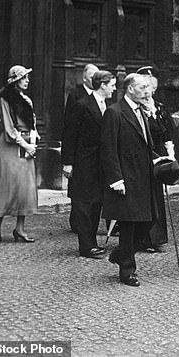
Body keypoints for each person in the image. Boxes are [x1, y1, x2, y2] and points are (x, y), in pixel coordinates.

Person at [101, 73, 158, 287]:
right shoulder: (114, 113)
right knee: (128, 226)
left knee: (148, 223)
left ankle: (120, 254)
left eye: (148, 88)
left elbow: (146, 143)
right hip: (126, 177)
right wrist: (116, 179)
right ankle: (127, 270)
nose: (147, 91)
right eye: (143, 87)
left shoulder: (142, 111)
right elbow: (108, 149)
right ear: (130, 89)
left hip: (143, 178)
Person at [62, 71, 116, 259]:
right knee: (84, 205)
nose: (114, 89)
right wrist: (68, 162)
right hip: (83, 162)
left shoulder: (107, 106)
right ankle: (86, 246)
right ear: (102, 84)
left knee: (96, 204)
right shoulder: (82, 105)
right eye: (112, 85)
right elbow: (69, 135)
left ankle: (91, 242)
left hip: (100, 164)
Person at [0, 65, 39, 243]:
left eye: (27, 78)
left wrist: (33, 141)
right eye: (23, 78)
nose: (27, 81)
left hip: (26, 144)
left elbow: (32, 124)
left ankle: (20, 228)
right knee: (8, 183)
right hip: (11, 144)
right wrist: (25, 145)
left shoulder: (27, 100)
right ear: (15, 80)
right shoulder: (5, 99)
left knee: (25, 186)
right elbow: (9, 128)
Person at [136, 69, 176, 253]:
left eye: (153, 88)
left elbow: (167, 132)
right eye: (146, 87)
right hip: (144, 157)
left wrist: (170, 154)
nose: (149, 92)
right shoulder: (137, 110)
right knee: (144, 198)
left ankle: (157, 238)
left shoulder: (158, 108)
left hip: (160, 158)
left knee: (157, 198)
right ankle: (143, 238)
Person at [64, 63, 99, 233]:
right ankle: (77, 222)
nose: (95, 80)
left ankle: (87, 223)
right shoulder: (76, 96)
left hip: (95, 155)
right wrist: (68, 160)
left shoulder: (102, 98)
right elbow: (70, 129)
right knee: (79, 189)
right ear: (85, 77)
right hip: (80, 150)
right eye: (92, 77)